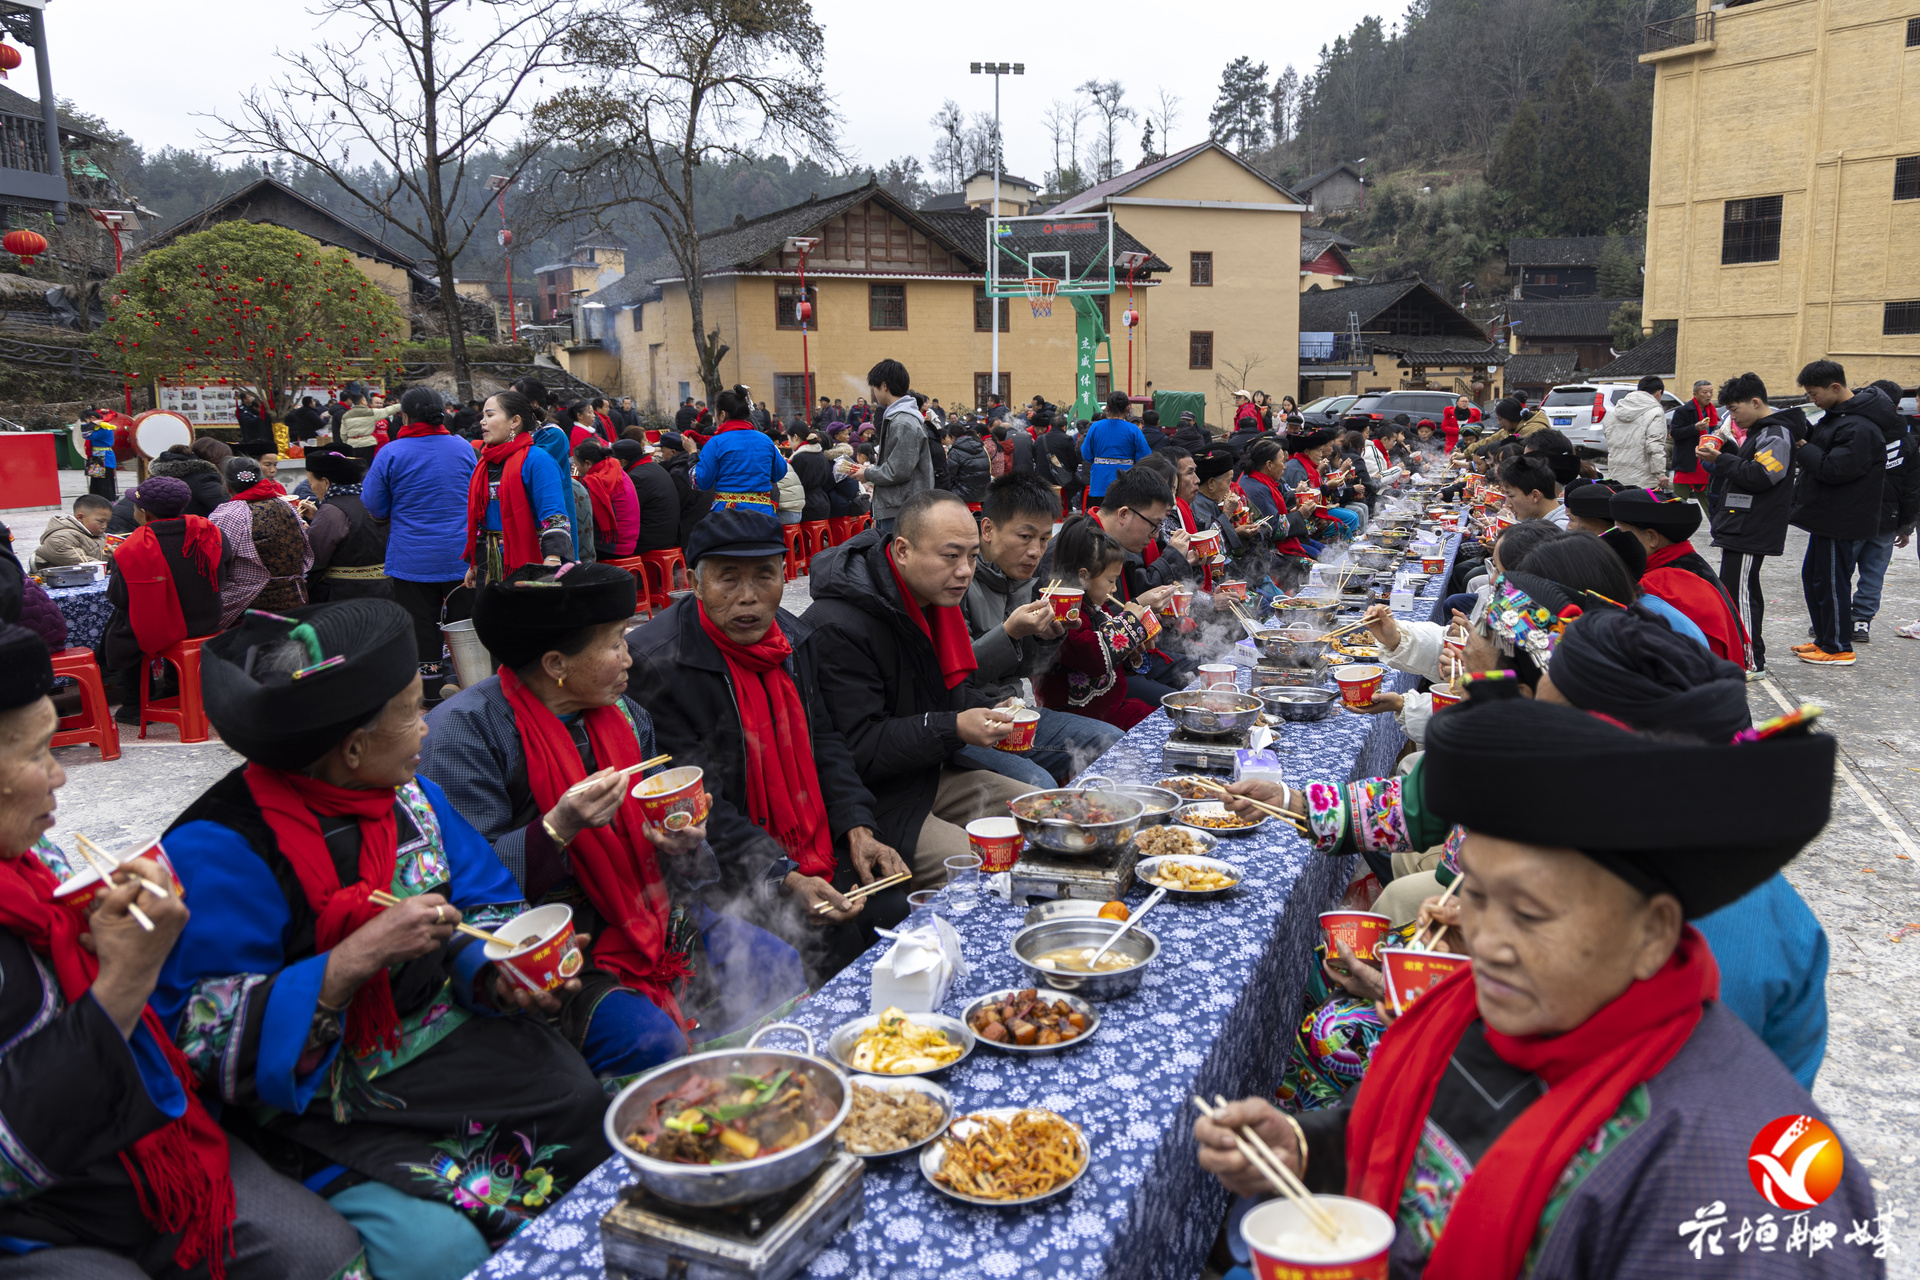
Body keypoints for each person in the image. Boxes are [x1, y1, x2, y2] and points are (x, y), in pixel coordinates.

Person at [1196, 694, 1878, 1280]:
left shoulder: (1740, 1169)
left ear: (1653, 932)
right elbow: (1397, 1135)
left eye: (1529, 914)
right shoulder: (1475, 1012)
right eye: (1477, 896)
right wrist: (1302, 1147)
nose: (1486, 942)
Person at [152, 600, 611, 1277]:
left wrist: (498, 968)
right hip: (321, 1093)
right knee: (443, 1241)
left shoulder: (409, 798)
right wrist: (349, 963)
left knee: (574, 1102)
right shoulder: (217, 850)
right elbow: (199, 1039)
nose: (427, 724)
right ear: (353, 748)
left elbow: (484, 902)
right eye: (410, 711)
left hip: (438, 1035)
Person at [0, 623, 368, 1279]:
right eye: (38, 754)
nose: (60, 776)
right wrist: (123, 983)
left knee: (322, 1253)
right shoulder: (224, 839)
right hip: (37, 1210)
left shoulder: (30, 861)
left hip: (146, 1144)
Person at [420, 564, 806, 1077]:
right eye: (615, 643)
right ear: (556, 663)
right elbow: (475, 887)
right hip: (558, 941)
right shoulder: (466, 733)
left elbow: (670, 833)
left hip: (649, 909)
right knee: (648, 1041)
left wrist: (682, 842)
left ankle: (764, 1092)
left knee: (775, 963)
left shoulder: (623, 713)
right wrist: (557, 828)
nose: (629, 657)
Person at [626, 512, 912, 981]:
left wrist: (858, 828)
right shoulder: (659, 663)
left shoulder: (793, 639)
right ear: (695, 583)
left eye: (764, 576)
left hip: (811, 837)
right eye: (728, 579)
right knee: (832, 943)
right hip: (726, 864)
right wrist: (784, 876)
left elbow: (824, 740)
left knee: (893, 908)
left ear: (785, 575)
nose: (748, 597)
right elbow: (698, 802)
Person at [800, 492, 1034, 886]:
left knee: (1037, 813)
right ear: (903, 551)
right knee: (979, 866)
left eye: (973, 556)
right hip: (876, 796)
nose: (965, 571)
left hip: (928, 772)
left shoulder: (930, 599)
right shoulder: (842, 625)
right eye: (951, 556)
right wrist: (954, 727)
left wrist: (991, 707)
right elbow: (858, 749)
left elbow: (945, 693)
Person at [957, 475, 1123, 787]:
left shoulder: (1027, 584)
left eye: (1045, 539)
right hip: (966, 722)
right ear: (988, 530)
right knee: (1038, 783)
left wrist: (1048, 638)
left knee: (1114, 743)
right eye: (1025, 536)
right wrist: (1009, 633)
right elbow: (960, 674)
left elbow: (1025, 669)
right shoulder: (958, 581)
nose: (1036, 551)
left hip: (1016, 712)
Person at [364, 385, 479, 678]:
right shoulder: (463, 447)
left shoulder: (391, 452)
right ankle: (469, 681)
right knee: (465, 626)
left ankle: (430, 685)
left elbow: (375, 505)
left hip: (413, 558)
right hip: (462, 556)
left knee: (420, 626)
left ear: (405, 417)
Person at [101, 476, 233, 719]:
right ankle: (174, 687)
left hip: (163, 629)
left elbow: (119, 598)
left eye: (135, 507)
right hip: (207, 620)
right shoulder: (209, 532)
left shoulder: (132, 547)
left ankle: (135, 705)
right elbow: (223, 573)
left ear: (146, 514)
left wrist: (116, 562)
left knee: (121, 631)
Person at [1788, 360, 1890, 666]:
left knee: (1832, 582)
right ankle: (1824, 638)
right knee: (1815, 578)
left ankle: (1838, 647)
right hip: (1826, 516)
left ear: (1835, 387)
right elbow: (1824, 449)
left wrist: (1802, 445)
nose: (1812, 399)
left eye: (1814, 393)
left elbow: (1834, 468)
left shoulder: (1859, 426)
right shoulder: (1838, 418)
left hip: (1842, 518)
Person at [1698, 372, 1797, 675]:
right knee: (1741, 590)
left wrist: (1721, 459)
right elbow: (1748, 468)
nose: (1732, 417)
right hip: (1740, 524)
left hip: (1752, 526)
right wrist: (1724, 454)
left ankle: (1750, 661)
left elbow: (1761, 476)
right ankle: (1744, 657)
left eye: (1734, 409)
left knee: (1740, 594)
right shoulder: (1759, 432)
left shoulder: (1775, 433)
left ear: (1755, 402)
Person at [1035, 514, 1158, 730]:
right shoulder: (1065, 613)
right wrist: (1128, 622)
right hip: (1078, 718)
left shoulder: (1096, 607)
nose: (1114, 589)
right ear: (1083, 576)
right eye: (1111, 580)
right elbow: (1094, 656)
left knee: (1155, 716)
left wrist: (1131, 653)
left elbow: (1112, 661)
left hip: (1109, 709)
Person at [1610, 488, 1749, 668]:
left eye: (1621, 532)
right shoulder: (1691, 563)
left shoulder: (1659, 585)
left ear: (1652, 538)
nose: (1614, 539)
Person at [462, 391, 573, 588]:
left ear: (514, 421)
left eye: (490, 415)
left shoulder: (538, 461)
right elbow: (482, 520)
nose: (482, 422)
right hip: (490, 563)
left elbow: (555, 516)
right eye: (483, 416)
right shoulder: (484, 464)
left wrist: (552, 558)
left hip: (530, 562)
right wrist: (475, 564)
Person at [1848, 378, 1919, 646]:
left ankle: (1833, 618)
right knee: (1874, 573)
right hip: (1887, 520)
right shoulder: (1908, 440)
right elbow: (1912, 488)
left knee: (1840, 570)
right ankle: (1861, 622)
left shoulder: (1857, 429)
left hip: (1852, 515)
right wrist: (1906, 525)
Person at [210, 456, 313, 626]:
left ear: (227, 486)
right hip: (294, 599)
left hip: (247, 605)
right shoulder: (286, 506)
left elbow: (216, 564)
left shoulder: (228, 514)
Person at [298, 449, 392, 604]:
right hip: (384, 590)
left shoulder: (331, 511)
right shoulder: (372, 502)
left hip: (346, 594)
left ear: (325, 482)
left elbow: (314, 557)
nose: (311, 487)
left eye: (311, 482)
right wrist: (317, 518)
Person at [854, 361, 931, 536]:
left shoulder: (904, 422)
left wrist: (867, 474)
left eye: (874, 387)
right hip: (897, 506)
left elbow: (898, 471)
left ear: (884, 386)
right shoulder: (897, 418)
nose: (874, 393)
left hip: (902, 509)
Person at [692, 385, 787, 518]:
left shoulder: (716, 442)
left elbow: (702, 482)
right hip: (763, 516)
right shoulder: (765, 440)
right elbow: (780, 472)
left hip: (728, 516)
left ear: (722, 414)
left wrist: (692, 454)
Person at [1079, 392, 1152, 507]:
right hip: (1127, 482)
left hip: (1100, 483)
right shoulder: (1133, 429)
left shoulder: (1095, 427)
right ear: (1128, 408)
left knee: (1100, 516)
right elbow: (1145, 457)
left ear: (1107, 408)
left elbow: (1086, 455)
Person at [614, 435, 682, 553]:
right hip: (666, 534)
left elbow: (623, 513)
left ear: (623, 461)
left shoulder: (636, 477)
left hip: (651, 539)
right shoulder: (653, 467)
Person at [1599, 376, 1670, 489]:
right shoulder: (1655, 412)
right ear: (1659, 393)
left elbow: (1608, 439)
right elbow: (1655, 445)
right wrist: (1660, 473)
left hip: (1617, 477)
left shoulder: (1615, 413)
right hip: (1644, 480)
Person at [574, 440, 639, 558]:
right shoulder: (614, 468)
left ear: (588, 463)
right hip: (630, 541)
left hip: (615, 545)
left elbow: (584, 512)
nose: (576, 469)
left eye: (577, 465)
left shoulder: (596, 481)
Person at [1668, 378, 1718, 508]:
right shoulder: (1683, 411)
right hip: (1686, 462)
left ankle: (1714, 522)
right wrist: (1694, 428)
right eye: (1705, 392)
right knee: (1678, 503)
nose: (1709, 395)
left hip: (1705, 461)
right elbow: (1675, 433)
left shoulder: (1712, 411)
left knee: (1709, 503)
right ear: (1695, 394)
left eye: (1711, 392)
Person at [31, 493, 110, 569]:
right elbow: (84, 563)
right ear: (80, 517)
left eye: (107, 522)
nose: (104, 526)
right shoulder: (60, 538)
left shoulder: (98, 535)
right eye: (101, 521)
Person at [1494, 453, 1568, 528]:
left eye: (1511, 496)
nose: (1507, 504)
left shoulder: (1560, 528)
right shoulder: (1538, 521)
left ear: (1535, 496)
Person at [943, 423, 990, 505]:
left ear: (953, 437)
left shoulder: (955, 451)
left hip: (964, 494)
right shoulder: (979, 446)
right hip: (984, 493)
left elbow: (949, 474)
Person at [82, 410, 118, 501]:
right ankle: (96, 503)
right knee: (95, 485)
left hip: (105, 458)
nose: (86, 423)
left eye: (86, 421)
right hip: (96, 457)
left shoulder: (104, 428)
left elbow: (86, 434)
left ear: (92, 418)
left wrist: (92, 424)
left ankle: (108, 504)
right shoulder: (97, 427)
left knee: (105, 485)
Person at [339, 387, 380, 460]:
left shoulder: (346, 414)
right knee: (367, 463)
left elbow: (343, 433)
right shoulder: (371, 413)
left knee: (355, 463)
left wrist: (347, 442)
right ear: (363, 401)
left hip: (352, 444)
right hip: (367, 444)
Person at [235, 394, 275, 458]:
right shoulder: (242, 410)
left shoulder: (252, 409)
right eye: (249, 397)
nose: (251, 398)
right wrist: (261, 417)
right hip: (250, 435)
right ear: (244, 399)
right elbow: (248, 422)